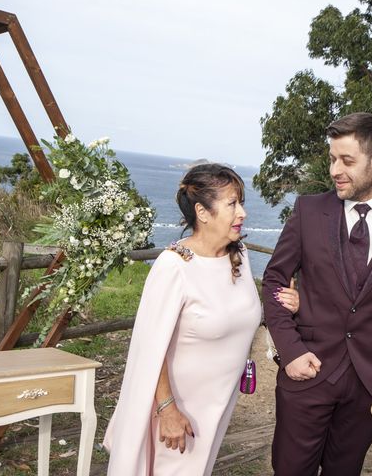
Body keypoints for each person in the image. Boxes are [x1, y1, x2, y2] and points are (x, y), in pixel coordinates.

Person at [263, 112, 372, 475]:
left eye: (346, 161)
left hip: (371, 383)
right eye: (331, 159)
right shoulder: (308, 211)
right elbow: (275, 280)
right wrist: (290, 350)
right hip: (306, 372)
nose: (334, 170)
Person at [103, 163, 298, 475]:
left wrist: (288, 301)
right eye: (232, 204)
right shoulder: (173, 266)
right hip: (180, 408)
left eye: (241, 203)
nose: (242, 213)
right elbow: (150, 349)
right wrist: (167, 410)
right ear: (202, 212)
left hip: (218, 403)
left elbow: (241, 310)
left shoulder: (241, 254)